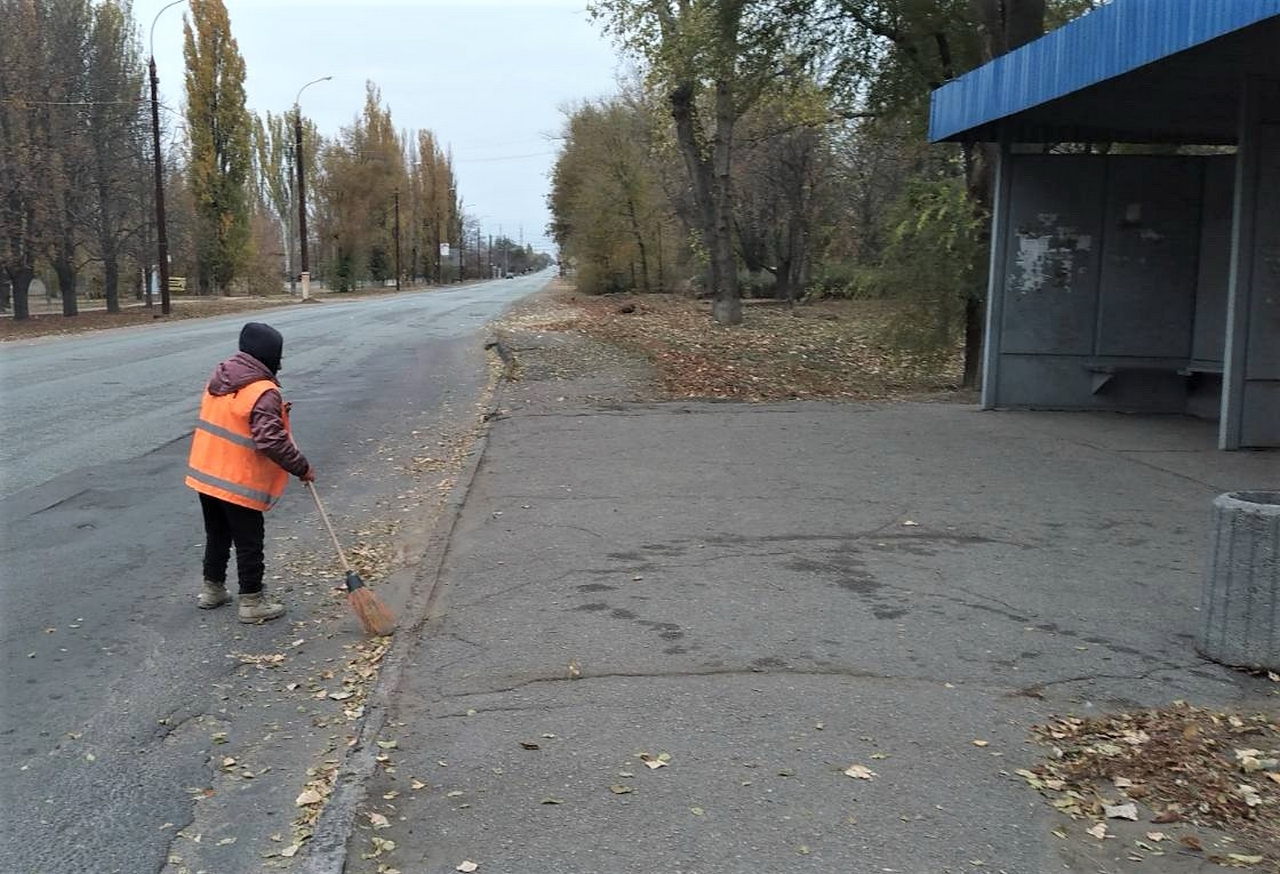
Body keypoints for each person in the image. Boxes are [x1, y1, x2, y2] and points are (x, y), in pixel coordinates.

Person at [185, 322, 315, 623]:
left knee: (217, 534)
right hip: (237, 481)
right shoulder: (263, 390)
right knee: (249, 541)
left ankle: (212, 589)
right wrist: (302, 467)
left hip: (206, 475)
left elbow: (238, 420)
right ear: (270, 357)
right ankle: (252, 601)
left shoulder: (221, 378)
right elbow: (271, 440)